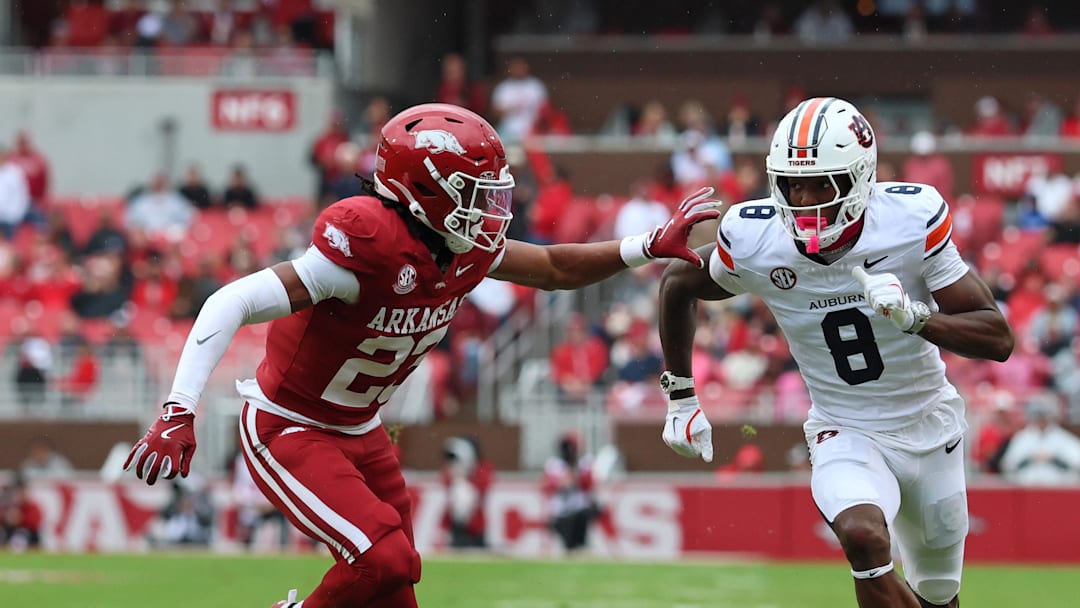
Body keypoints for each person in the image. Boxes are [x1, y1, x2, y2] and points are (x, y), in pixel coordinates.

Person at [122, 102, 720, 608]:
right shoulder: (366, 241)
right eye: (476, 195)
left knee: (399, 580)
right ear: (426, 190)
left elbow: (554, 266)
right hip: (291, 426)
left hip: (363, 428)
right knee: (380, 558)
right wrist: (180, 408)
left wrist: (646, 246)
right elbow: (231, 301)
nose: (491, 212)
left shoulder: (461, 245)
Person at [657, 97, 1014, 608]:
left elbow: (997, 338)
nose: (805, 200)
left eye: (821, 183)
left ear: (860, 179)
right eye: (792, 184)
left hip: (930, 425)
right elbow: (677, 281)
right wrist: (682, 397)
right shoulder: (758, 239)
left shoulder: (909, 221)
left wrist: (916, 317)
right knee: (863, 537)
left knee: (939, 594)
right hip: (844, 427)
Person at [542, 433, 600, 553]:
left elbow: (588, 485)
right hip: (563, 513)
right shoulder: (555, 465)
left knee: (580, 544)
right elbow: (548, 487)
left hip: (580, 511)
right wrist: (563, 480)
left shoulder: (584, 464)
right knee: (569, 546)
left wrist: (576, 476)